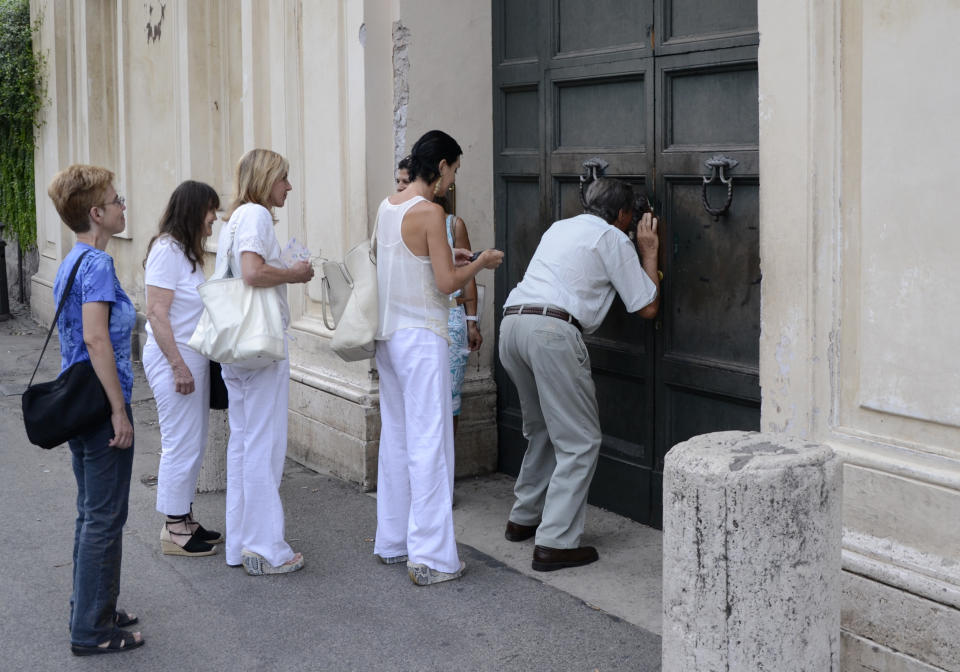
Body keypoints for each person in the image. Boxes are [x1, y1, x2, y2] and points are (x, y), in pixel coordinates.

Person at [499, 176, 660, 572]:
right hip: (551, 333)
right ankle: (555, 542)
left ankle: (524, 518)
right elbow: (647, 307)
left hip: (513, 324)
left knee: (541, 430)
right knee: (581, 440)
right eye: (630, 216)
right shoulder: (612, 238)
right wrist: (649, 251)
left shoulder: (561, 226)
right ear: (623, 214)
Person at [374, 130, 503, 585]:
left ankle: (392, 541)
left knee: (397, 439)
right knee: (431, 444)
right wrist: (480, 261)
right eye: (454, 171)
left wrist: (453, 255)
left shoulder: (388, 206)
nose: (452, 181)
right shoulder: (431, 212)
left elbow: (403, 262)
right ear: (442, 165)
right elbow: (448, 283)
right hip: (422, 338)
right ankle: (429, 557)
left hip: (388, 338)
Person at [47, 164, 143, 654]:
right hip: (100, 407)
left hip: (78, 405)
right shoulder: (99, 266)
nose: (123, 205)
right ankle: (91, 630)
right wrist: (119, 412)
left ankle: (96, 607)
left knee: (93, 514)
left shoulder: (73, 261)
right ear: (97, 213)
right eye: (116, 198)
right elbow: (95, 338)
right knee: (104, 517)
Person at [216, 149, 314, 575]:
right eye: (283, 179)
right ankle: (265, 547)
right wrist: (294, 273)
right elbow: (252, 272)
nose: (288, 187)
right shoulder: (255, 215)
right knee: (264, 445)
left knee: (243, 443)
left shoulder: (235, 219)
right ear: (265, 179)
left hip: (237, 345)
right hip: (259, 344)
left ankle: (241, 544)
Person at [143, 180, 224, 557]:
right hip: (172, 357)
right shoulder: (166, 250)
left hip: (190, 356)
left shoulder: (185, 253)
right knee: (179, 442)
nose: (214, 218)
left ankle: (185, 517)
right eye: (211, 210)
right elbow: (156, 313)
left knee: (194, 440)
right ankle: (174, 527)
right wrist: (177, 366)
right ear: (194, 210)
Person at [396, 160, 481, 433]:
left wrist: (472, 321)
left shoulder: (452, 224)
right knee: (416, 401)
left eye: (405, 182)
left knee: (449, 401)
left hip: (451, 319)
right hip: (414, 321)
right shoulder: (393, 219)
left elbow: (466, 276)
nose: (400, 187)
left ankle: (446, 465)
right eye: (397, 182)